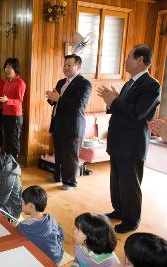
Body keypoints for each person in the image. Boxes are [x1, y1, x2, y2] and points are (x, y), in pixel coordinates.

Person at [97, 44, 161, 233]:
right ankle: (119, 210)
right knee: (116, 180)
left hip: (132, 143)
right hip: (118, 140)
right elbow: (122, 107)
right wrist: (114, 100)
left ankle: (132, 220)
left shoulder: (151, 85)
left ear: (140, 60)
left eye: (129, 57)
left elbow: (137, 113)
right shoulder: (129, 83)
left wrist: (114, 101)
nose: (125, 61)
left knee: (130, 183)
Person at [46, 54, 92, 190]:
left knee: (70, 155)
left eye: (69, 65)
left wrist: (58, 98)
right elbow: (54, 101)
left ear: (78, 66)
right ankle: (57, 176)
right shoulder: (61, 82)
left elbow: (78, 104)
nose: (65, 68)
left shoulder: (84, 83)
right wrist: (51, 98)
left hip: (73, 125)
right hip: (58, 123)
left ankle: (70, 182)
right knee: (59, 153)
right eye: (64, 65)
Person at [16, 185, 64, 264]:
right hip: (58, 256)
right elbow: (60, 236)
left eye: (22, 202)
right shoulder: (51, 219)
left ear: (30, 206)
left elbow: (17, 236)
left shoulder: (23, 227)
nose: (21, 203)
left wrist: (16, 226)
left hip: (45, 261)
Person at [0, 58, 26, 161]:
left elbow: (19, 100)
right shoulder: (7, 82)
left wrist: (7, 100)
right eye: (6, 67)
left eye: (10, 67)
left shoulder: (20, 82)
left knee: (14, 141)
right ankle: (8, 161)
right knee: (7, 139)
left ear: (15, 69)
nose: (7, 69)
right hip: (5, 113)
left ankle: (14, 164)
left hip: (15, 116)